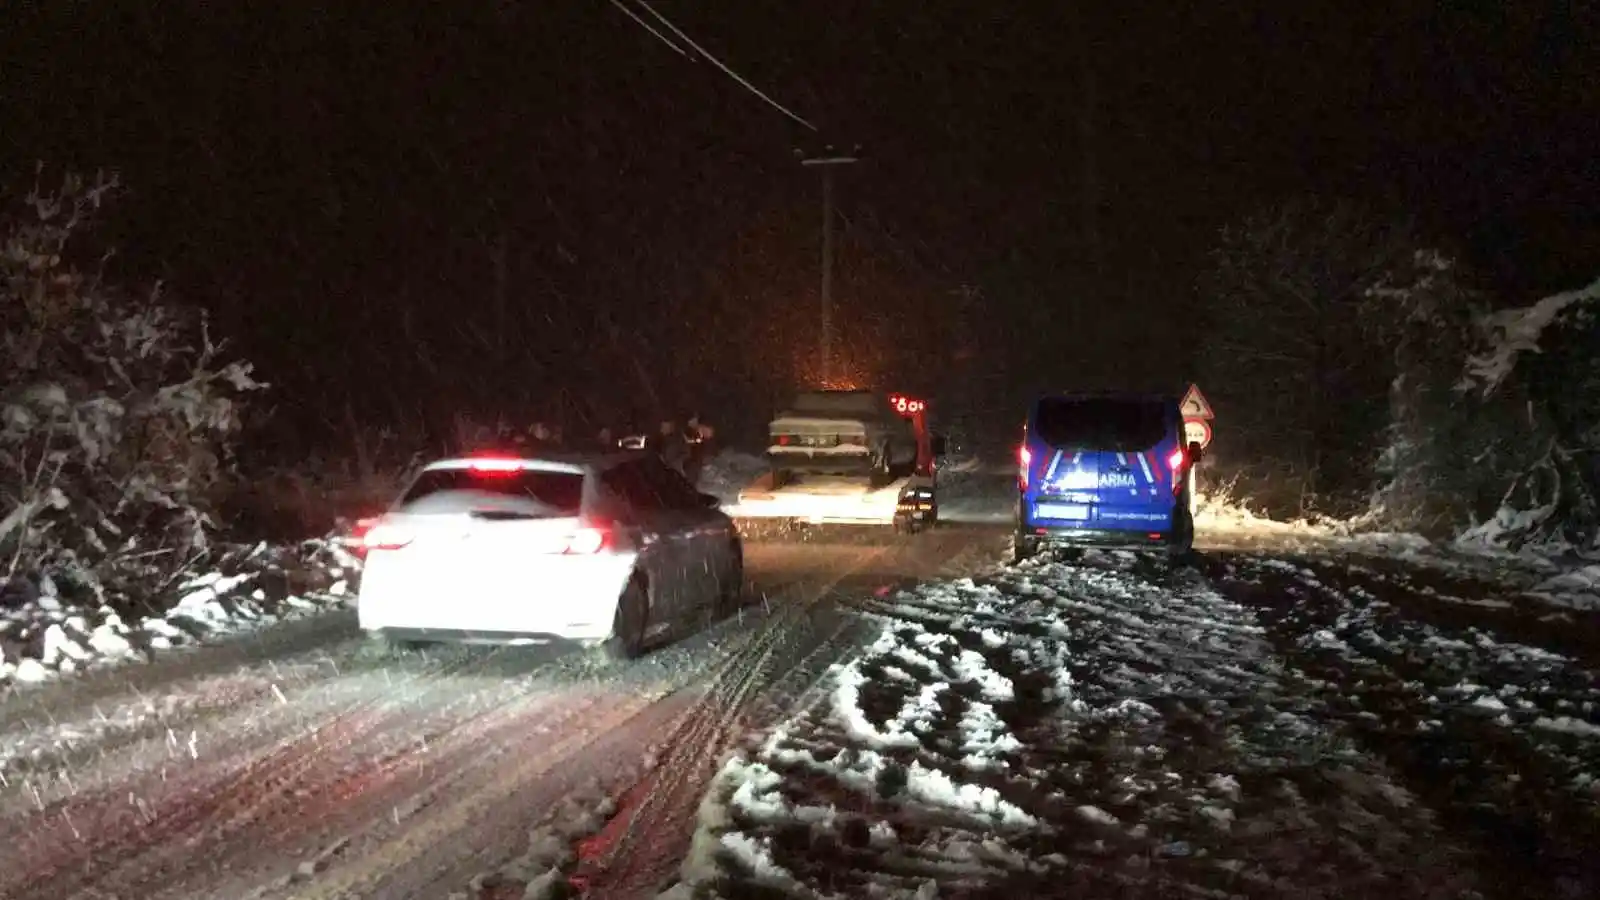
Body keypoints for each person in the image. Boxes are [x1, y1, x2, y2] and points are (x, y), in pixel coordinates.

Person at [684, 413, 714, 486]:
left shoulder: (700, 429)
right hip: (693, 455)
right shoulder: (688, 430)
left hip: (699, 453)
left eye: (694, 421)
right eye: (692, 421)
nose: (693, 423)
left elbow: (702, 438)